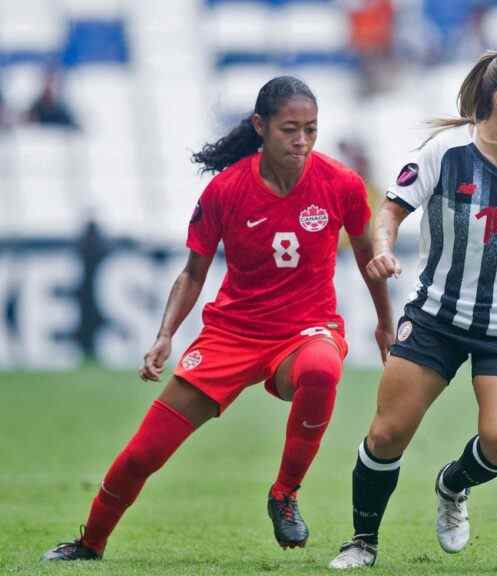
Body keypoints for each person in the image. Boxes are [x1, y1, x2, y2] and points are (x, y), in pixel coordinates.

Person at [42, 75, 394, 561]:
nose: (302, 141)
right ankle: (90, 543)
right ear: (260, 126)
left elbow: (367, 257)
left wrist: (385, 324)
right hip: (233, 334)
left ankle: (284, 494)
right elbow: (192, 273)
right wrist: (165, 335)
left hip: (305, 331)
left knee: (322, 368)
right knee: (145, 452)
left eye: (311, 129)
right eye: (290, 129)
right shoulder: (226, 191)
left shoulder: (342, 184)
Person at [328, 49, 497, 569]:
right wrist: (382, 248)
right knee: (386, 434)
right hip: (436, 318)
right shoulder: (444, 154)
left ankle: (452, 485)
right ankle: (363, 542)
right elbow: (390, 211)